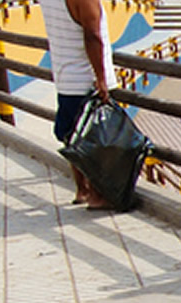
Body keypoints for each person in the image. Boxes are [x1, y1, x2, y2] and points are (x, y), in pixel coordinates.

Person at [41, 0, 115, 206]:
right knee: (96, 139)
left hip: (65, 77)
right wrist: (101, 78)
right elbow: (92, 35)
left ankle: (82, 190)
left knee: (73, 136)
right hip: (86, 80)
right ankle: (98, 196)